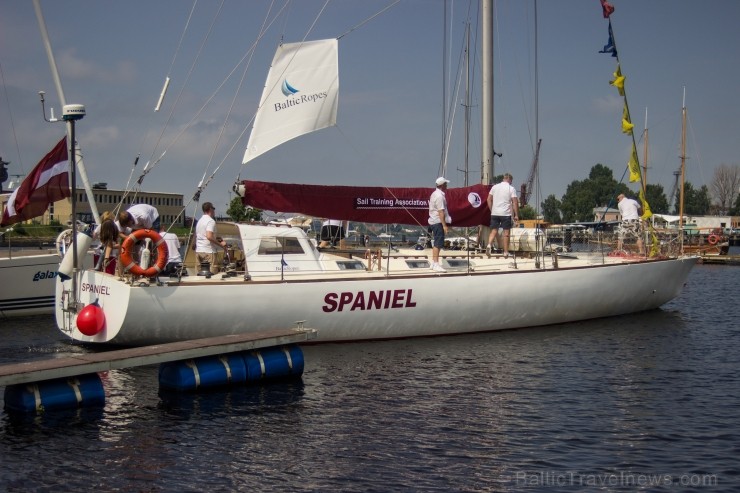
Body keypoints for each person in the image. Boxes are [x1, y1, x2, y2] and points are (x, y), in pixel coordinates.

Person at [486, 173, 519, 258]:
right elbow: (515, 202)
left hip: (495, 212)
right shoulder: (511, 188)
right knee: (506, 233)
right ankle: (505, 252)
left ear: (503, 179)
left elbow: (489, 199)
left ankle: (489, 245)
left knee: (494, 231)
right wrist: (516, 215)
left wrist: (491, 209)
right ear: (510, 180)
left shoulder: (494, 187)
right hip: (505, 214)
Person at [195, 201, 227, 275]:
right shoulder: (210, 221)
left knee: (199, 275)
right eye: (214, 208)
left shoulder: (199, 221)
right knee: (212, 274)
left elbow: (196, 234)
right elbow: (209, 236)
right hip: (208, 251)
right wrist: (221, 245)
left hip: (199, 251)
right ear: (210, 209)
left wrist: (217, 237)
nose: (214, 210)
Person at [428, 176, 451, 272]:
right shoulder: (439, 196)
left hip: (433, 221)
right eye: (445, 183)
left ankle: (434, 262)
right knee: (438, 243)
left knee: (437, 243)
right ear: (442, 185)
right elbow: (441, 211)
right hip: (437, 222)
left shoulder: (435, 193)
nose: (447, 185)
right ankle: (436, 263)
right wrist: (444, 225)